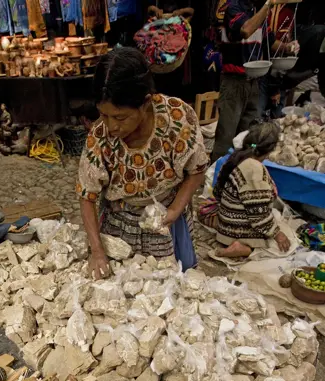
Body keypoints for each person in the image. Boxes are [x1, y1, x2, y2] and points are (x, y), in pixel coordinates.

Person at [77, 47, 208, 280]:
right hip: (121, 223)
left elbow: (196, 170)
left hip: (166, 218)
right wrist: (97, 251)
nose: (111, 126)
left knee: (172, 287)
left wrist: (175, 209)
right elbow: (87, 195)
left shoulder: (177, 118)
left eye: (120, 117)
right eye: (103, 115)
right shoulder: (100, 137)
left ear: (145, 103)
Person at [212, 0, 298, 161]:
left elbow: (270, 42)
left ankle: (241, 171)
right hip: (233, 82)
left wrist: (288, 47)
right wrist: (268, 5)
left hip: (254, 82)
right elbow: (246, 30)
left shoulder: (258, 11)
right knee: (226, 136)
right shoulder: (233, 7)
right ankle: (216, 177)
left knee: (249, 134)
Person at [209, 122, 291, 258]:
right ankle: (244, 248)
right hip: (235, 231)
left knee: (275, 221)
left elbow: (218, 193)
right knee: (283, 248)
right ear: (270, 149)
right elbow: (259, 216)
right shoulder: (254, 169)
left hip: (226, 224)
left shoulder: (239, 156)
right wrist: (278, 235)